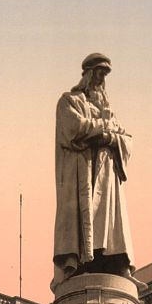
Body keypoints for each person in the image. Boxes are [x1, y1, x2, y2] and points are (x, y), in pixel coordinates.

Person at [52, 53, 136, 287]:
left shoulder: (109, 111)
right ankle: (81, 265)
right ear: (88, 75)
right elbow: (74, 129)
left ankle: (115, 263)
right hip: (84, 174)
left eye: (104, 76)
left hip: (107, 177)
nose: (100, 81)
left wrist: (111, 137)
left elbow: (127, 139)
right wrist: (104, 128)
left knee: (109, 223)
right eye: (98, 74)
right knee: (86, 222)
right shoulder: (70, 101)